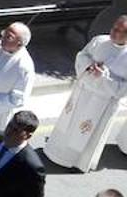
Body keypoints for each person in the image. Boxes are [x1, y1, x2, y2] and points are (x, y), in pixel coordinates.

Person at [45, 16, 127, 172]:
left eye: (121, 32)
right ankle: (54, 152)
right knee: (68, 124)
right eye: (115, 28)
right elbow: (82, 55)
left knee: (86, 132)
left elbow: (124, 89)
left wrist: (104, 77)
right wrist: (89, 66)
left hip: (102, 102)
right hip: (83, 92)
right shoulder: (99, 41)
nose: (115, 33)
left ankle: (77, 161)